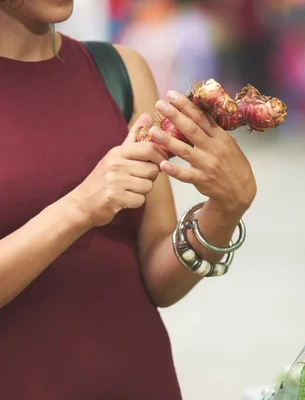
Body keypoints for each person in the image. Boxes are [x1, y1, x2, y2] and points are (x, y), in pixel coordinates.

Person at [0, 0, 257, 398]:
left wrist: (224, 210)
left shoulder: (119, 71)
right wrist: (80, 208)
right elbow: (88, 204)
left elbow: (158, 283)